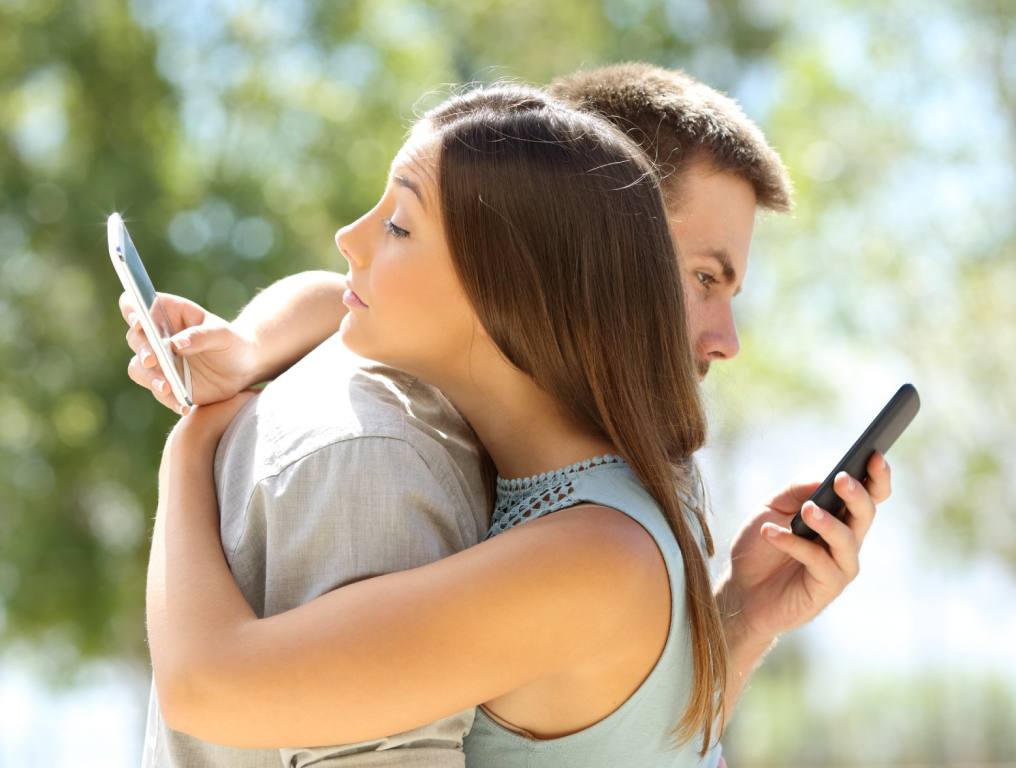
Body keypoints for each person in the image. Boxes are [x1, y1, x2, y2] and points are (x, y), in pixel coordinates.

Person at [127, 64, 891, 766]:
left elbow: (207, 687)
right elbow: (632, 742)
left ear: (522, 270)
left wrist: (190, 445)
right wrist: (740, 621)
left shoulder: (589, 552)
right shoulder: (616, 488)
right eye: (702, 279)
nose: (350, 239)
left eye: (399, 225)